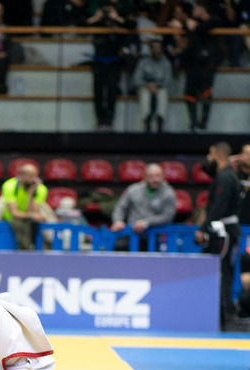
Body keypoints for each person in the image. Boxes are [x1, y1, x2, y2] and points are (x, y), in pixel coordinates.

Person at [197, 141, 242, 330]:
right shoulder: (225, 176)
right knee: (222, 272)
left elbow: (218, 208)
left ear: (218, 155)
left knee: (221, 273)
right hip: (225, 232)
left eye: (210, 154)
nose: (208, 159)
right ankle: (224, 316)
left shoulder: (225, 178)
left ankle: (226, 318)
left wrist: (204, 228)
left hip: (224, 234)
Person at [86, 0, 136, 131]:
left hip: (113, 61)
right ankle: (100, 120)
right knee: (98, 92)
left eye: (110, 10)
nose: (107, 13)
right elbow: (82, 25)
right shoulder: (98, 23)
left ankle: (109, 120)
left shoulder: (119, 22)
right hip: (99, 61)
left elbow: (132, 26)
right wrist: (96, 18)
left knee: (112, 92)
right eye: (105, 10)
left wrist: (117, 18)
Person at [109, 163, 177, 251]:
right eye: (151, 176)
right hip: (131, 234)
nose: (155, 179)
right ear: (145, 177)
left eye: (158, 176)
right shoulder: (133, 190)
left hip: (154, 236)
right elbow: (121, 207)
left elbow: (167, 216)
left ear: (163, 176)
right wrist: (117, 221)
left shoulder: (169, 194)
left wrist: (146, 223)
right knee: (119, 247)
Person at [175, 1, 218, 131]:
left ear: (202, 9)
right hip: (192, 62)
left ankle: (203, 123)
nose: (193, 10)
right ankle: (193, 123)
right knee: (189, 92)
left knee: (206, 92)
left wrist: (188, 24)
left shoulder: (213, 20)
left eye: (196, 8)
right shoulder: (193, 21)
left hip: (207, 62)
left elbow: (201, 27)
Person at [1, 163, 48, 250]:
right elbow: (14, 213)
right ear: (21, 176)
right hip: (10, 217)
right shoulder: (9, 185)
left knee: (35, 222)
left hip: (28, 218)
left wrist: (31, 194)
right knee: (19, 223)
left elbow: (34, 212)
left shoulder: (41, 189)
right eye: (31, 176)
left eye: (36, 176)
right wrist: (31, 215)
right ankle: (26, 247)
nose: (34, 179)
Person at [135, 38, 171, 133]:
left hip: (159, 87)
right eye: (154, 47)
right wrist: (147, 84)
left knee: (163, 93)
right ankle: (146, 120)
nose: (157, 50)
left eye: (159, 48)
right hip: (146, 86)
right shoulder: (143, 62)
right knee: (144, 93)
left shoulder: (165, 62)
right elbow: (136, 79)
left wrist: (156, 85)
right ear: (150, 49)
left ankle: (160, 119)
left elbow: (168, 80)